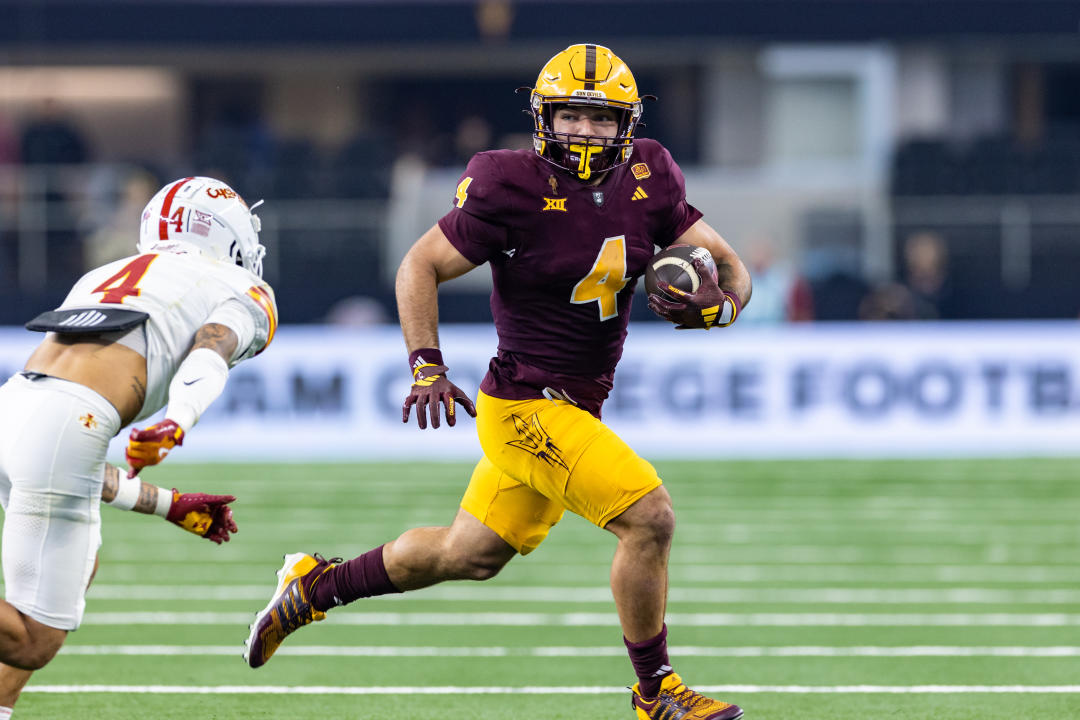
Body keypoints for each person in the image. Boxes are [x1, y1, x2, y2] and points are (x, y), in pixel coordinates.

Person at [244, 44, 751, 720]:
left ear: (628, 124)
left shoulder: (650, 174)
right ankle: (656, 691)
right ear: (545, 118)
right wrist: (427, 363)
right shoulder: (506, 183)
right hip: (524, 406)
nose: (587, 132)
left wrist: (725, 305)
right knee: (649, 519)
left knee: (467, 554)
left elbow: (728, 262)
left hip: (576, 406)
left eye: (604, 120)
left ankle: (314, 586)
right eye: (572, 116)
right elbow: (418, 266)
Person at [0, 176, 277, 716]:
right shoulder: (240, 286)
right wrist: (179, 418)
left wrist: (167, 504)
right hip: (64, 422)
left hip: (13, 405)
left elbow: (64, 457)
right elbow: (211, 348)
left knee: (80, 567)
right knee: (33, 637)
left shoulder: (102, 275)